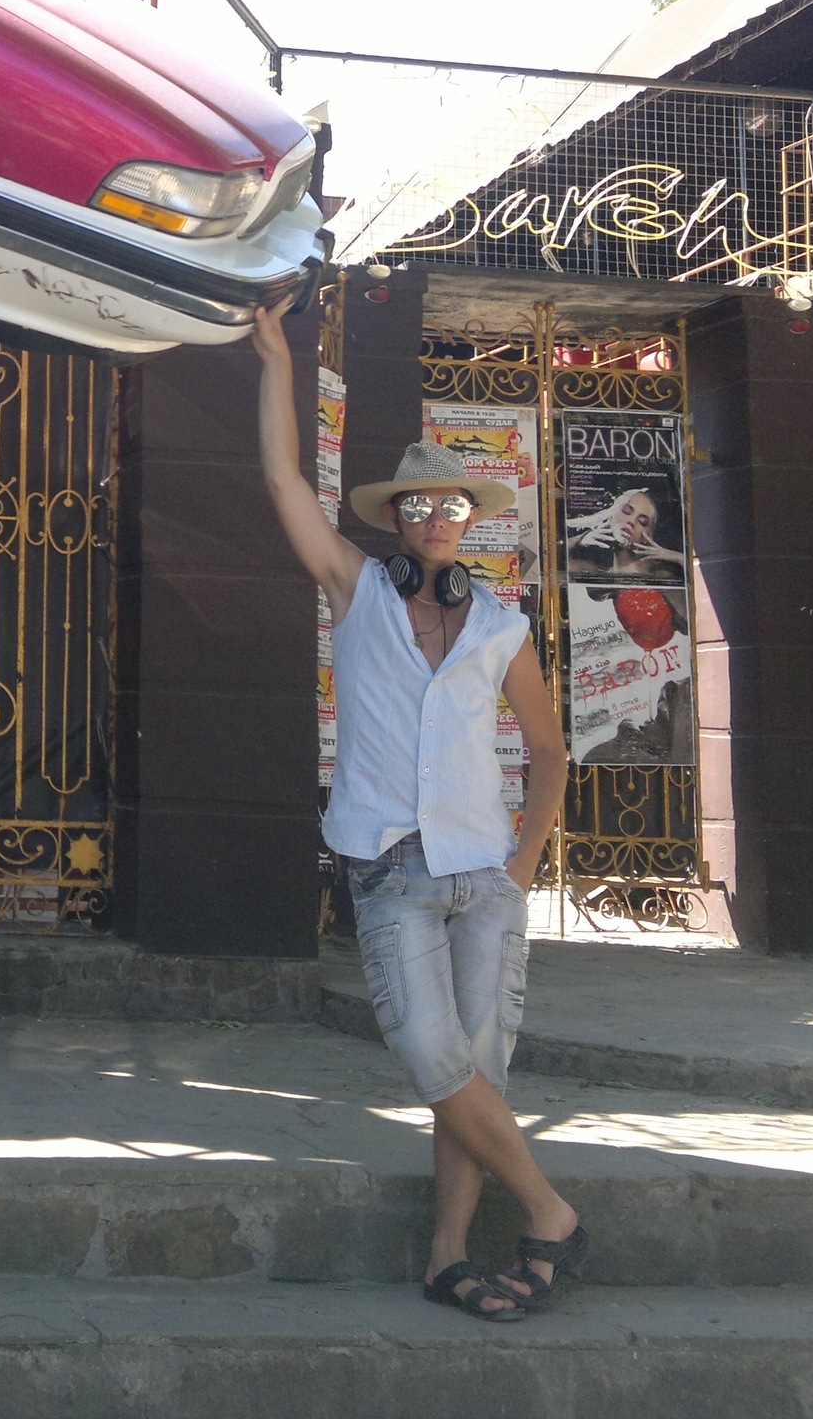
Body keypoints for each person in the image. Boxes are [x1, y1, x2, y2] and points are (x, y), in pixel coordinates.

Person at [249, 296, 585, 1322]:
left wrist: (523, 865)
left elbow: (547, 750)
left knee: (475, 1069)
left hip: (485, 870)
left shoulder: (499, 625)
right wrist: (275, 358)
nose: (436, 518)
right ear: (394, 518)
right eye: (418, 505)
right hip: (390, 866)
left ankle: (447, 1256)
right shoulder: (354, 589)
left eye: (452, 506)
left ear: (470, 519)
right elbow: (283, 481)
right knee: (432, 1057)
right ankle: (549, 1210)